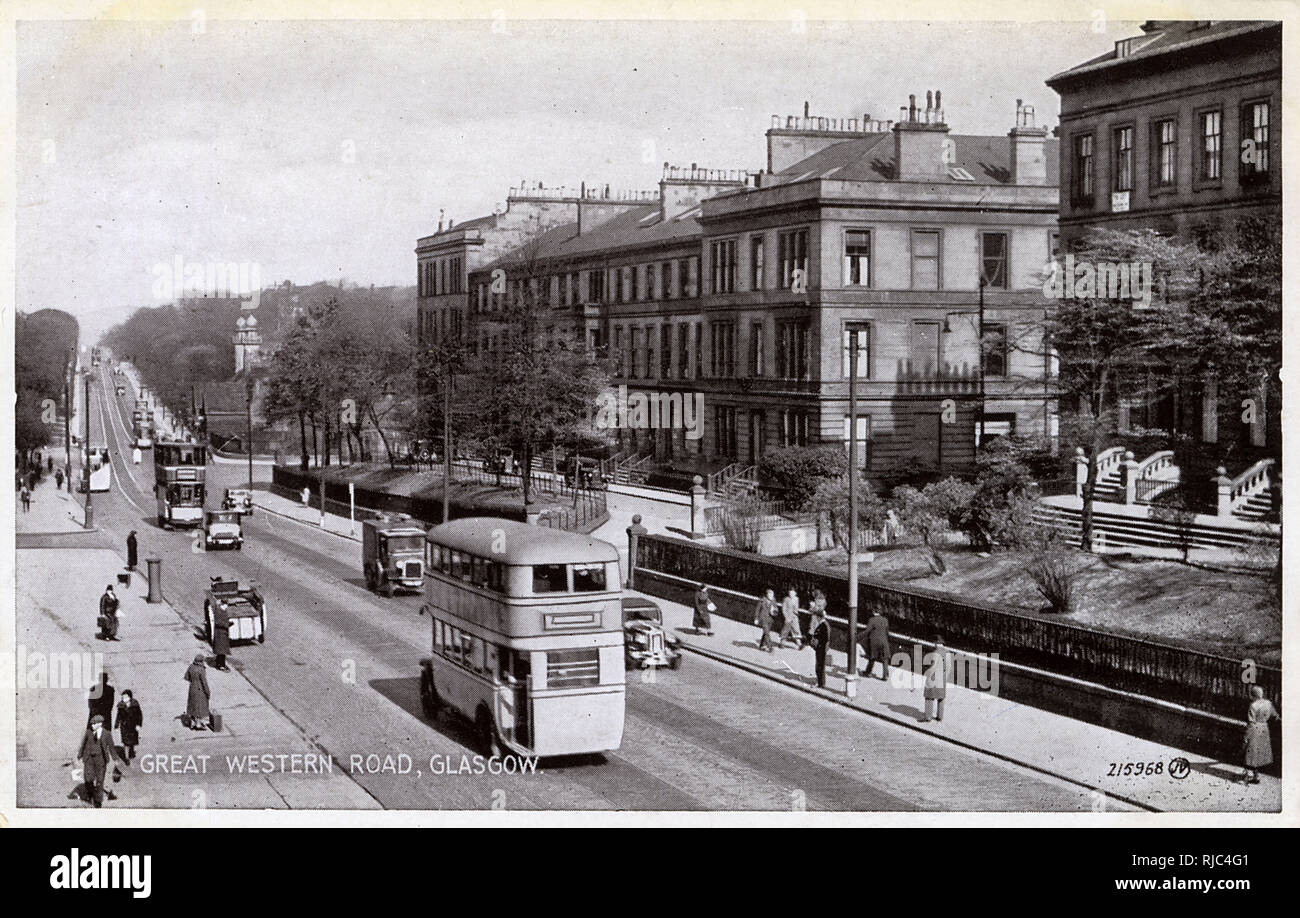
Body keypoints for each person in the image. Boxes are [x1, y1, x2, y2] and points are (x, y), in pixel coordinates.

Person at [1242, 686, 1279, 784]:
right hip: (1264, 729)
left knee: (1249, 753)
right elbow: (1275, 716)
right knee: (1258, 755)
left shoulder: (1253, 705)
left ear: (1253, 695)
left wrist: (1246, 736)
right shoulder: (1268, 703)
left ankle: (1248, 775)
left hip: (1255, 729)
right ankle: (1255, 776)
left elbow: (1251, 722)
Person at [77, 714, 115, 807]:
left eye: (94, 724)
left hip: (100, 760)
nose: (92, 726)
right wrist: (80, 755)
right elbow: (83, 744)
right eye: (91, 724)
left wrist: (115, 758)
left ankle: (98, 801)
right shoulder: (88, 732)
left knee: (100, 780)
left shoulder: (106, 734)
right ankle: (90, 793)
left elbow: (111, 747)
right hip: (89, 759)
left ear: (100, 724)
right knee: (88, 779)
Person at [923, 636, 952, 723]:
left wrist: (928, 676)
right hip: (942, 678)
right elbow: (949, 667)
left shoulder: (935, 653)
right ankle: (940, 717)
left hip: (934, 678)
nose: (934, 645)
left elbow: (933, 667)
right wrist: (945, 678)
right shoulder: (948, 652)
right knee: (941, 697)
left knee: (929, 697)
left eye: (934, 643)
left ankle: (928, 717)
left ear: (937, 643)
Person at [860, 609, 892, 680]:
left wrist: (858, 637)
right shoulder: (885, 620)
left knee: (872, 657)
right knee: (885, 658)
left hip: (874, 641)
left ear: (874, 612)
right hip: (884, 641)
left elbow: (867, 631)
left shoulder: (872, 620)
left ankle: (868, 672)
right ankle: (885, 675)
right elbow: (887, 632)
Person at [114, 690, 143, 762]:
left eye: (126, 696)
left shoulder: (135, 704)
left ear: (130, 697)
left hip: (133, 725)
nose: (124, 698)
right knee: (126, 742)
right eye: (123, 697)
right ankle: (126, 757)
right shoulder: (121, 706)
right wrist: (116, 725)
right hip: (124, 726)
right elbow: (118, 716)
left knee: (132, 741)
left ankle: (131, 752)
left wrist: (138, 724)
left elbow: (139, 715)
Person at [184, 654, 211, 730]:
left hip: (192, 688)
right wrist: (208, 692)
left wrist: (193, 681)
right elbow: (204, 682)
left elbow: (186, 677)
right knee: (199, 707)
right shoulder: (201, 669)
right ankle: (198, 724)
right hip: (200, 690)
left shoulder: (191, 667)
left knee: (193, 706)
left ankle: (192, 723)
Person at [807, 604, 831, 688]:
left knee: (820, 666)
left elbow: (826, 638)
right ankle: (820, 682)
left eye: (817, 616)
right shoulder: (823, 624)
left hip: (821, 648)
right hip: (821, 648)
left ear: (819, 617)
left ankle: (821, 683)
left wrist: (817, 642)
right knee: (819, 666)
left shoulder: (823, 625)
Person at [211, 601, 232, 671]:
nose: (227, 606)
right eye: (226, 605)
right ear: (223, 604)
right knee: (222, 651)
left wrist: (229, 623)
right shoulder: (218, 611)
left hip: (223, 634)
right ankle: (221, 665)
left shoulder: (223, 610)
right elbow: (217, 622)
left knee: (222, 651)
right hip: (220, 634)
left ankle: (219, 663)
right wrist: (226, 624)